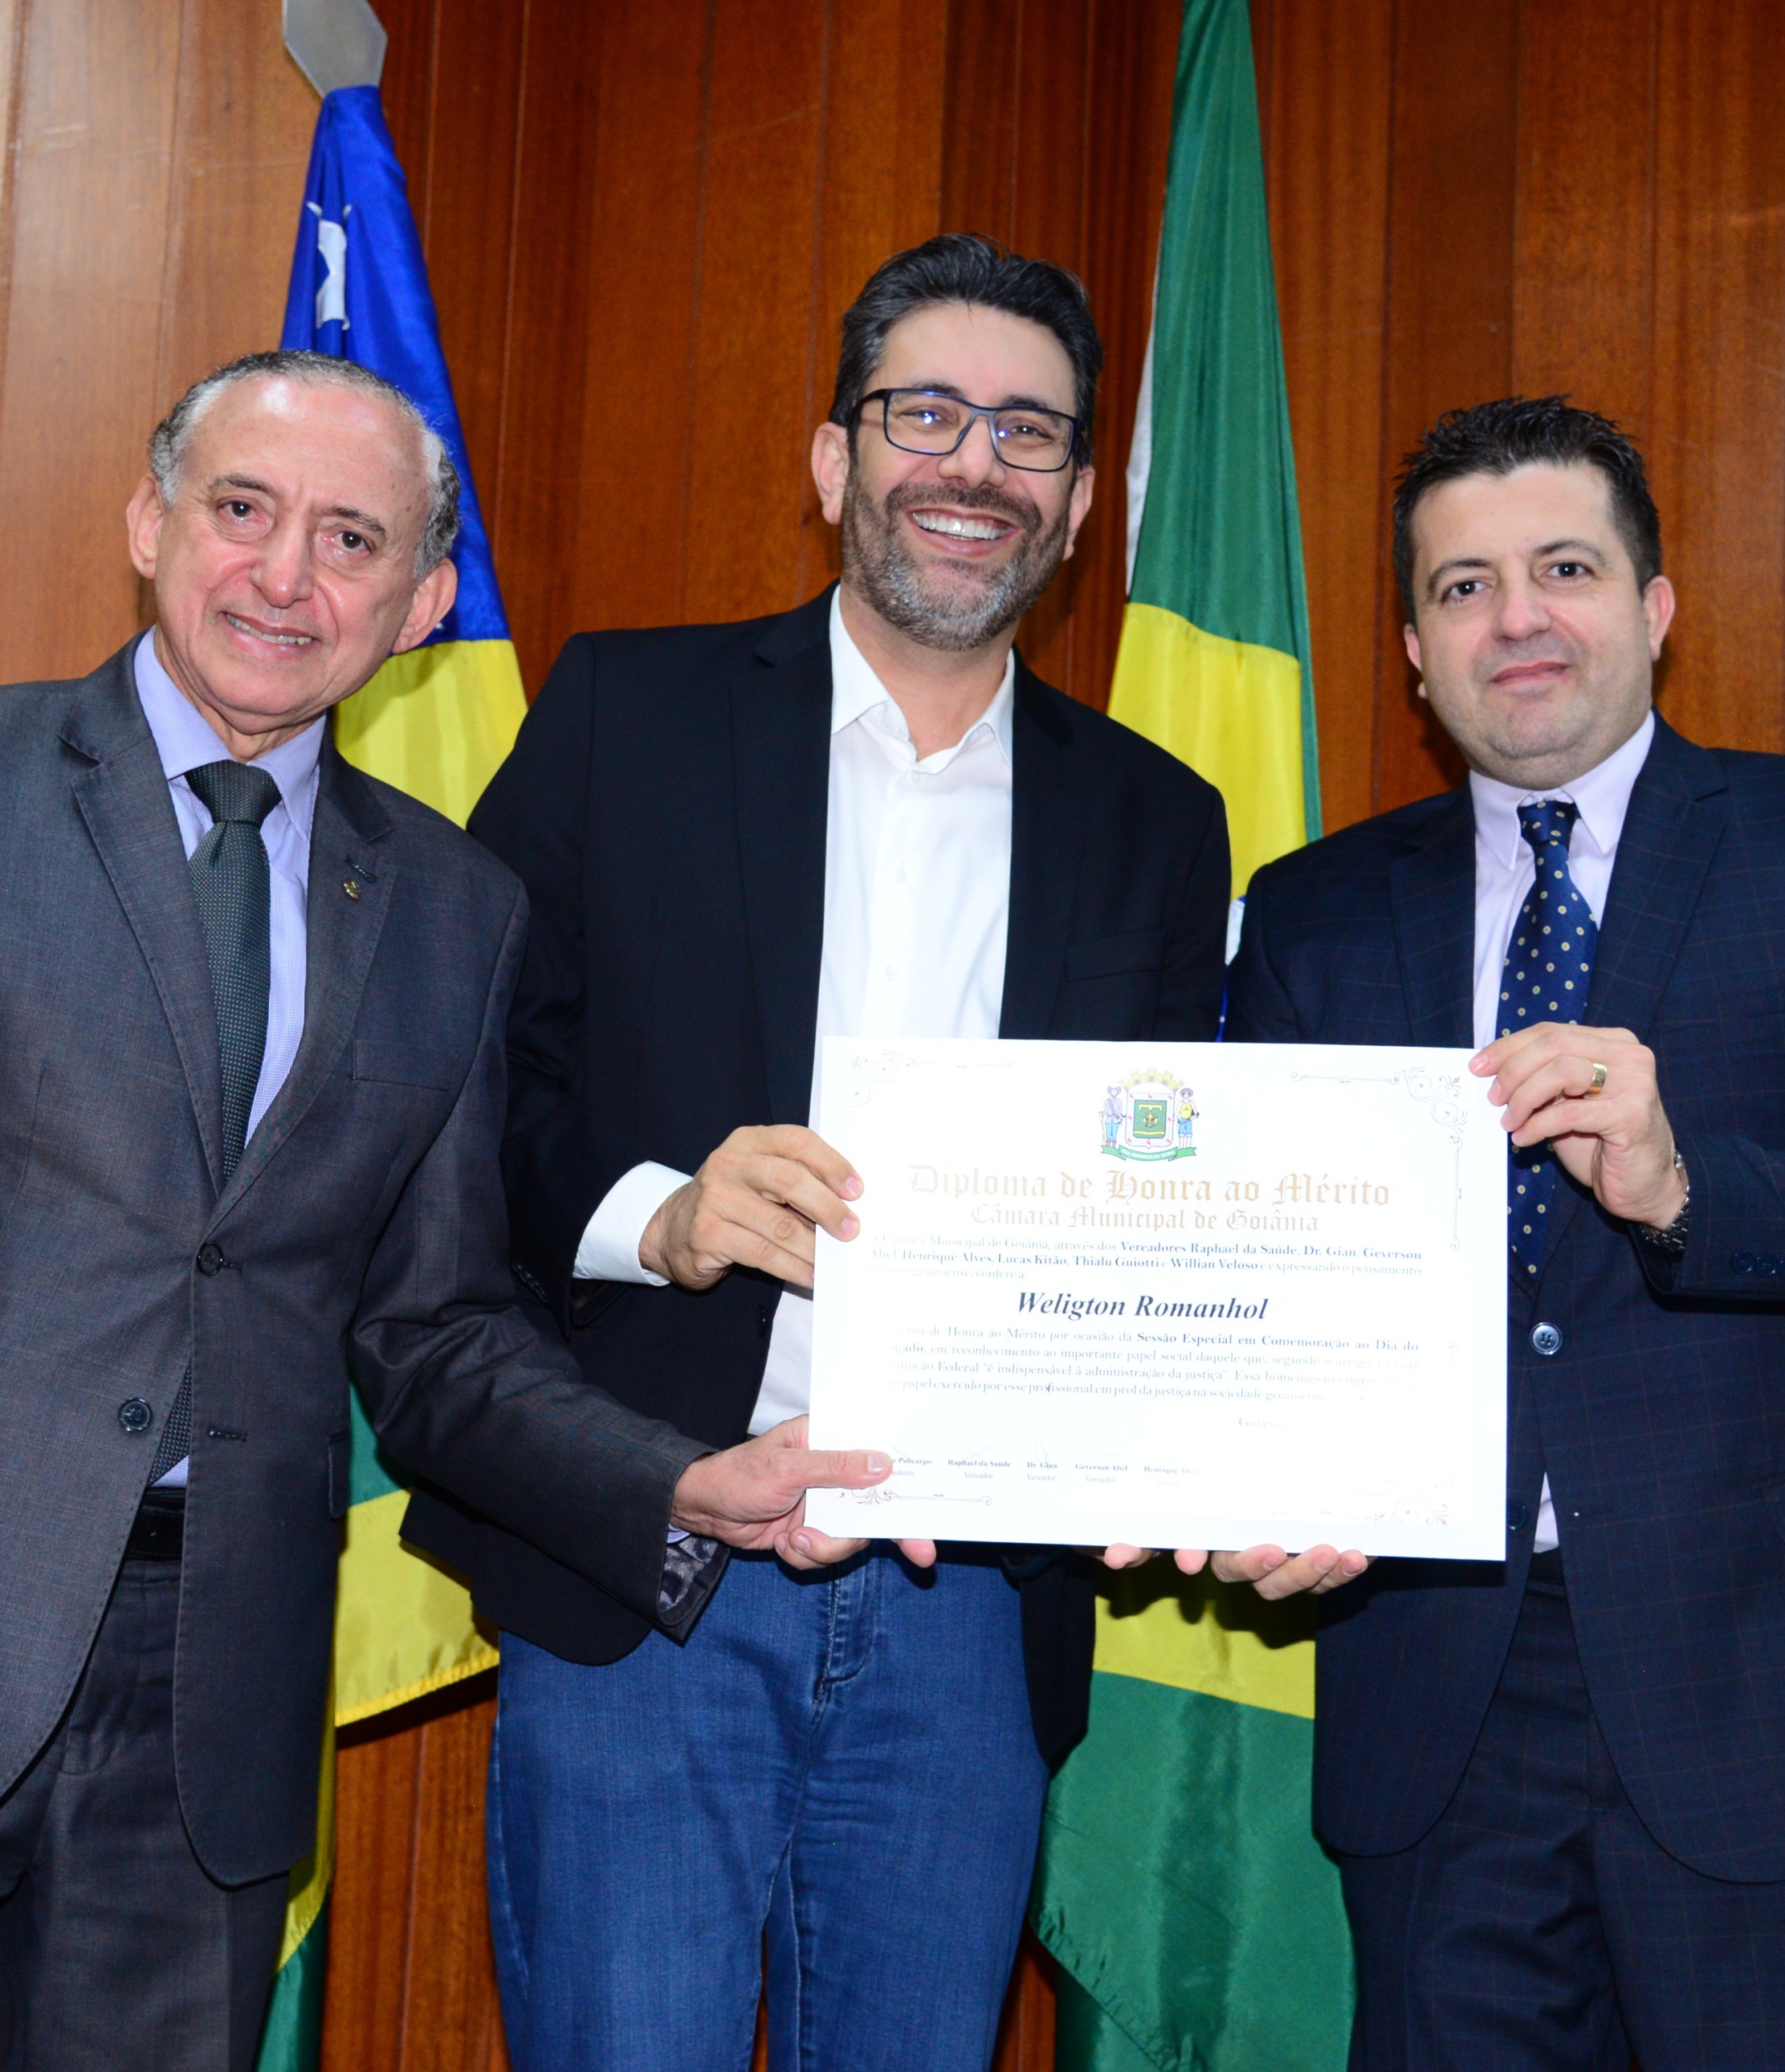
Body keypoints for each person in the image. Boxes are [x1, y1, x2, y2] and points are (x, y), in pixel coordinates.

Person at [0, 350, 888, 2070]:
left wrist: (674, 1479)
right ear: (150, 524)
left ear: (423, 604)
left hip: (206, 1726)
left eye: (352, 540)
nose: (287, 575)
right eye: (243, 509)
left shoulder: (455, 910)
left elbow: (437, 1332)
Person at [414, 234, 1230, 2070]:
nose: (973, 463)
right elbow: (458, 1095)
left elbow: (1169, 1206)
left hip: (972, 1613)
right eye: (922, 412)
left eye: (1027, 432)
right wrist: (659, 1216)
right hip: (653, 1559)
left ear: (1077, 502)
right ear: (832, 457)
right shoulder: (625, 714)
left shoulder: (1157, 824)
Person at [1197, 397, 1785, 2069]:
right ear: (1412, 651)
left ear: (1656, 607)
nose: (1515, 617)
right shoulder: (1309, 910)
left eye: (1565, 568)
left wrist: (1687, 1186)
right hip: (1440, 1715)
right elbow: (1258, 1275)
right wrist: (1242, 1463)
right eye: (1462, 587)